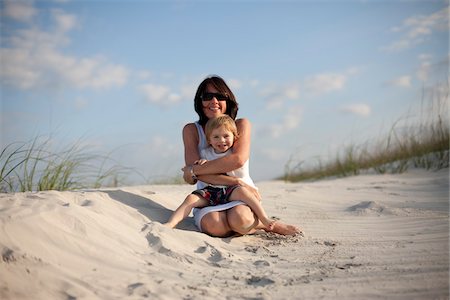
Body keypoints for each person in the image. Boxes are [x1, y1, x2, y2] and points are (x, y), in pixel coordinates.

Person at [178, 75, 301, 237]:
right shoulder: (192, 130)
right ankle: (253, 226)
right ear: (200, 102)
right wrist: (235, 181)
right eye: (208, 97)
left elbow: (237, 160)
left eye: (220, 96)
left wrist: (197, 170)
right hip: (209, 197)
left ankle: (268, 225)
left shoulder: (241, 125)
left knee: (241, 221)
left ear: (228, 100)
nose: (214, 101)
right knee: (215, 227)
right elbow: (191, 178)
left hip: (243, 194)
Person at [165, 115, 285, 232]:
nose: (221, 140)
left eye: (226, 136)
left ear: (235, 136)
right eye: (216, 137)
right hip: (212, 192)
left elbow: (237, 163)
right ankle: (171, 223)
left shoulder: (235, 153)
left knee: (242, 191)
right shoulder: (205, 153)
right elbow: (198, 171)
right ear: (209, 140)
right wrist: (202, 163)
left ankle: (264, 219)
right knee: (191, 198)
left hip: (231, 190)